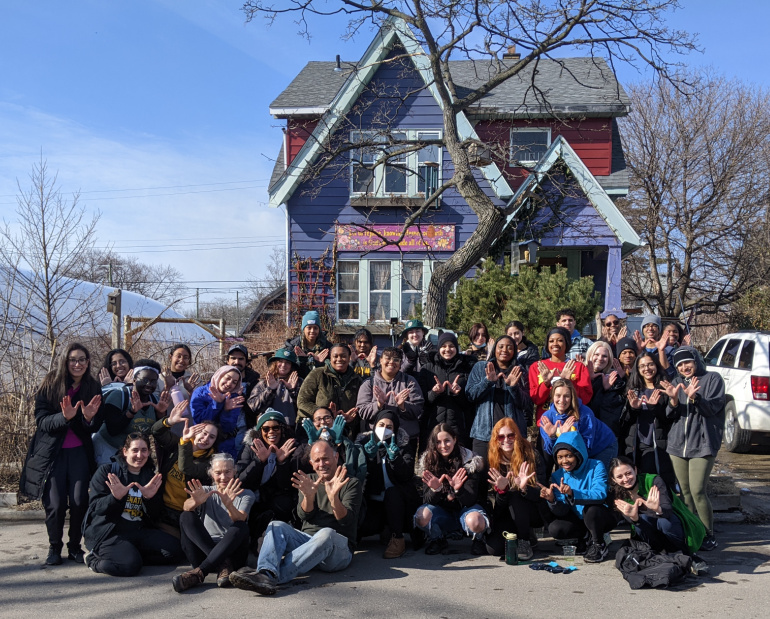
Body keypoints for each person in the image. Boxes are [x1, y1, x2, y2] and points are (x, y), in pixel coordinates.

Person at [229, 439, 363, 595]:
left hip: (337, 552)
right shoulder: (308, 480)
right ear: (311, 463)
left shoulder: (350, 482)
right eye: (317, 460)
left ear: (336, 457)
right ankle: (266, 572)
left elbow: (346, 521)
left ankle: (275, 577)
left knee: (326, 533)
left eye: (325, 458)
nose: (322, 464)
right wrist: (308, 496)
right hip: (308, 545)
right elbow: (304, 516)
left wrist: (334, 498)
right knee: (275, 525)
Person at [20, 343, 103, 566]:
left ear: (88, 362)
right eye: (73, 360)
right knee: (55, 504)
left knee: (78, 501)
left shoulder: (92, 386)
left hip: (79, 453)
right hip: (52, 454)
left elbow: (93, 427)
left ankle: (75, 546)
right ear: (65, 361)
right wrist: (64, 418)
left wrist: (87, 419)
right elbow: (42, 421)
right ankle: (54, 547)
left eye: (82, 359)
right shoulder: (50, 383)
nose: (78, 364)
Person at [83, 433, 183, 576]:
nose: (139, 455)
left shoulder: (149, 476)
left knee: (175, 552)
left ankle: (131, 555)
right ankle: (93, 560)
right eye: (135, 450)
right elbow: (96, 509)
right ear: (125, 451)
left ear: (149, 453)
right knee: (129, 566)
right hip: (110, 533)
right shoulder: (107, 472)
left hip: (138, 531)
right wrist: (115, 498)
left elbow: (155, 515)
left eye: (143, 450)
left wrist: (150, 498)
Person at [660, 346, 725, 551]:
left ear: (696, 360)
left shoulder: (713, 379)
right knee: (685, 492)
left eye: (687, 362)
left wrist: (695, 398)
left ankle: (708, 534)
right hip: (678, 446)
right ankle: (690, 529)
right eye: (679, 365)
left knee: (698, 491)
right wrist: (672, 400)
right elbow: (670, 416)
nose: (684, 367)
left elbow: (713, 409)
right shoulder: (677, 383)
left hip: (703, 444)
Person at [172, 454, 256, 592]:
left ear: (235, 471)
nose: (223, 477)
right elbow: (186, 507)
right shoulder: (205, 491)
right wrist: (195, 502)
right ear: (211, 473)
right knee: (186, 516)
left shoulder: (246, 494)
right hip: (206, 550)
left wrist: (229, 505)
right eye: (218, 473)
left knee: (241, 526)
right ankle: (222, 565)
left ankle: (200, 573)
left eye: (227, 472)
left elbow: (240, 519)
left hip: (232, 553)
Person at [539, 432, 616, 563]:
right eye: (560, 457)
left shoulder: (596, 465)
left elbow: (600, 494)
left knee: (591, 510)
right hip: (578, 519)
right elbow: (562, 511)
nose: (564, 461)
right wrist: (552, 500)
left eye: (569, 456)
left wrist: (573, 493)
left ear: (578, 453)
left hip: (600, 515)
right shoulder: (558, 475)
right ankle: (585, 537)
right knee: (555, 528)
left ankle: (599, 544)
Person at [413, 424, 489, 555]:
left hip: (465, 510)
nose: (443, 446)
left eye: (447, 440)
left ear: (454, 439)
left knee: (476, 520)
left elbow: (471, 500)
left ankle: (479, 539)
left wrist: (458, 490)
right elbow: (427, 499)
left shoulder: (469, 460)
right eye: (438, 442)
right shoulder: (429, 461)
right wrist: (436, 490)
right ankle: (437, 539)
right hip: (444, 513)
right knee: (421, 516)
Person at [609, 456, 705, 554]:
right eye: (619, 477)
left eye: (628, 473)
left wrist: (657, 509)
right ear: (614, 479)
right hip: (650, 531)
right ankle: (658, 552)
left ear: (635, 470)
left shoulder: (654, 480)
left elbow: (668, 511)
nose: (625, 479)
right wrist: (634, 517)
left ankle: (684, 552)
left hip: (673, 523)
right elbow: (633, 521)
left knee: (664, 522)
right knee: (641, 522)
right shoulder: (617, 494)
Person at [355, 410, 419, 558]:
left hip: (399, 502)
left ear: (395, 429)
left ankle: (397, 538)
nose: (384, 429)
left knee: (393, 493)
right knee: (365, 526)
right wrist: (368, 459)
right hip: (374, 501)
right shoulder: (365, 444)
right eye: (381, 424)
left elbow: (407, 475)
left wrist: (396, 458)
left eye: (389, 426)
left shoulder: (403, 445)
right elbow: (358, 477)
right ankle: (384, 528)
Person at [485, 418, 547, 561]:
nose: (506, 440)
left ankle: (525, 540)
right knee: (494, 548)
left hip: (532, 510)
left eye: (510, 435)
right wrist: (502, 491)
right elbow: (498, 507)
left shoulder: (531, 455)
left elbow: (541, 494)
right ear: (496, 439)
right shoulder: (493, 460)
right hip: (507, 512)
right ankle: (521, 536)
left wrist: (524, 488)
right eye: (501, 436)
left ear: (517, 436)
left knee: (516, 495)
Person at [152, 401, 219, 532]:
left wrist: (185, 441)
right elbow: (156, 432)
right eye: (203, 433)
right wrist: (170, 421)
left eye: (211, 437)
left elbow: (186, 467)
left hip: (182, 512)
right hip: (161, 505)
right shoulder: (180, 443)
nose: (206, 439)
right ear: (195, 430)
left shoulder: (211, 463)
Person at [465, 336, 530, 460]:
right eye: (501, 346)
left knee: (511, 475)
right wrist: (487, 382)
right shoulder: (481, 367)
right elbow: (470, 395)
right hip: (484, 435)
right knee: (482, 474)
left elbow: (525, 403)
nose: (504, 350)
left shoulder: (519, 371)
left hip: (511, 436)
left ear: (515, 351)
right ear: (495, 349)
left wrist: (514, 387)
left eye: (509, 347)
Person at [237, 409, 298, 541]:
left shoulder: (291, 448)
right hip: (253, 495)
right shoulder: (250, 447)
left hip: (275, 498)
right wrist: (259, 462)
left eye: (276, 427)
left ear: (282, 429)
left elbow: (286, 486)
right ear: (260, 431)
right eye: (266, 429)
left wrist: (282, 463)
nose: (271, 432)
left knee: (284, 503)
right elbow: (241, 481)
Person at [619, 352, 676, 491]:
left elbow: (669, 419)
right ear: (637, 369)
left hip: (658, 443)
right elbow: (624, 422)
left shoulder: (664, 388)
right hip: (636, 444)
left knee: (659, 484)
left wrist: (654, 407)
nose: (647, 368)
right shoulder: (633, 390)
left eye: (650, 364)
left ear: (656, 365)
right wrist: (634, 409)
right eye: (642, 366)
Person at [95, 360, 170, 465]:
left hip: (134, 453)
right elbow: (113, 430)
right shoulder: (118, 396)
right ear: (134, 380)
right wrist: (132, 411)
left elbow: (158, 434)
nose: (149, 384)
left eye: (153, 381)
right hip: (108, 448)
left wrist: (161, 414)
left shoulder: (156, 401)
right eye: (145, 380)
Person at [356, 347, 424, 456]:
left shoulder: (409, 381)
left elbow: (418, 409)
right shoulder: (369, 383)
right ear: (380, 360)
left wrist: (403, 406)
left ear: (401, 363)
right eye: (387, 358)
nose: (391, 362)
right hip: (375, 440)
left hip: (405, 440)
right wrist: (378, 405)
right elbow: (362, 411)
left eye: (396, 360)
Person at [539, 379, 617, 471]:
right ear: (552, 396)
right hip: (574, 454)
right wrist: (552, 436)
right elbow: (551, 452)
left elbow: (586, 447)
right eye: (558, 395)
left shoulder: (584, 413)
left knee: (597, 476)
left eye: (566, 396)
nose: (562, 400)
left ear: (572, 397)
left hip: (603, 446)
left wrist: (566, 437)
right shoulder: (547, 417)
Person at [418, 331, 476, 446]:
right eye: (444, 346)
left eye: (451, 346)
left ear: (457, 348)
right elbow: (421, 400)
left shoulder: (466, 369)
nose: (447, 349)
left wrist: (458, 394)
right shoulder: (427, 369)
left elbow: (471, 401)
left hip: (459, 428)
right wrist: (434, 393)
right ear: (439, 348)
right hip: (432, 427)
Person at [297, 343, 362, 439]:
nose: (339, 359)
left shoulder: (357, 379)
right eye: (335, 356)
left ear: (349, 358)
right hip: (314, 430)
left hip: (344, 431)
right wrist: (326, 415)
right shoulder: (318, 374)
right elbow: (302, 402)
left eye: (343, 356)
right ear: (330, 358)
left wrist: (350, 419)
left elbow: (360, 407)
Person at [528, 326, 592, 424]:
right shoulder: (537, 367)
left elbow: (585, 398)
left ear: (566, 343)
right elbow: (536, 399)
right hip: (546, 423)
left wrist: (568, 382)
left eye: (560, 340)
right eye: (551, 341)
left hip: (572, 422)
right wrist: (546, 383)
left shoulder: (578, 367)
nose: (555, 344)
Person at [299, 407, 367, 485]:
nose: (323, 422)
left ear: (333, 420)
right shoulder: (304, 445)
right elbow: (301, 467)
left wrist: (338, 443)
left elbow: (351, 465)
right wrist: (312, 444)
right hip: (316, 487)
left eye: (327, 417)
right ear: (313, 423)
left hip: (344, 486)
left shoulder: (347, 443)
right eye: (318, 419)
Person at [190, 365, 246, 459]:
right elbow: (200, 420)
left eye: (234, 382)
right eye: (227, 378)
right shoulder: (200, 392)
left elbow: (228, 428)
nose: (229, 383)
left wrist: (226, 410)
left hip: (224, 447)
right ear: (220, 376)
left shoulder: (233, 399)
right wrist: (216, 404)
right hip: (202, 443)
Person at [247, 347, 302, 428]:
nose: (283, 365)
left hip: (293, 429)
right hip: (268, 428)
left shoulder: (299, 382)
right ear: (275, 363)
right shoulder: (264, 382)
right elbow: (254, 407)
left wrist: (292, 391)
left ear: (292, 366)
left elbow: (304, 406)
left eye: (287, 363)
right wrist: (270, 390)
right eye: (280, 361)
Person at [584, 341, 626, 436]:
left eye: (604, 356)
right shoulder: (580, 374)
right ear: (590, 355)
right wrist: (589, 381)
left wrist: (606, 389)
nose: (600, 359)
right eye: (596, 354)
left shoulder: (612, 378)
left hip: (603, 431)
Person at [285, 310, 332, 379]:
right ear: (303, 329)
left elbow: (330, 371)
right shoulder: (293, 346)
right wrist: (302, 360)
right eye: (309, 328)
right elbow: (289, 370)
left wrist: (319, 363)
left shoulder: (327, 347)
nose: (312, 331)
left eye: (315, 328)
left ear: (319, 330)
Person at [226, 344, 261, 429]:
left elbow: (256, 409)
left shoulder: (254, 383)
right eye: (233, 358)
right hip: (222, 430)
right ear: (227, 361)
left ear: (246, 361)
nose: (237, 362)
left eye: (241, 359)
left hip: (245, 431)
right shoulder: (219, 380)